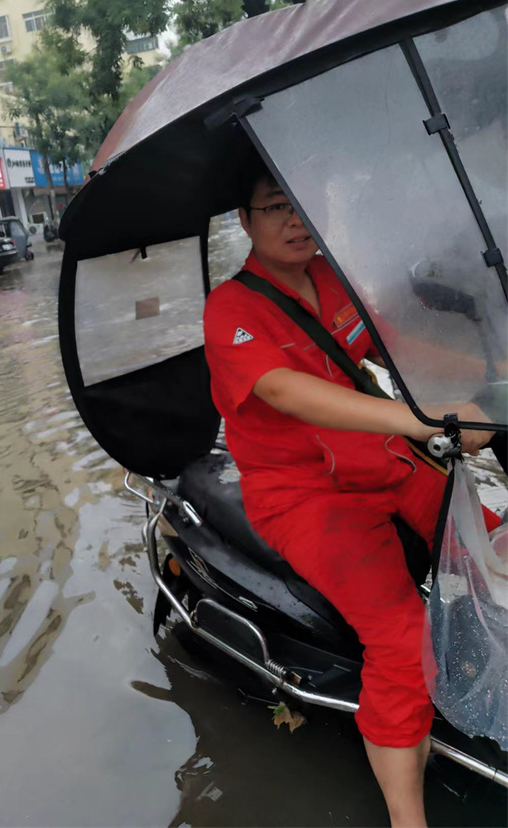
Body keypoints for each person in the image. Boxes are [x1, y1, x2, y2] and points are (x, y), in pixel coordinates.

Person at [203, 157, 500, 827]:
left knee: (497, 545)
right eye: (275, 206)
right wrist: (422, 418)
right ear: (244, 221)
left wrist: (492, 373)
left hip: (383, 460)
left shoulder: (332, 278)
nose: (294, 219)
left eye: (302, 203)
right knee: (400, 640)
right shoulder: (230, 310)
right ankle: (406, 816)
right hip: (307, 497)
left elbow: (396, 346)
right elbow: (283, 389)